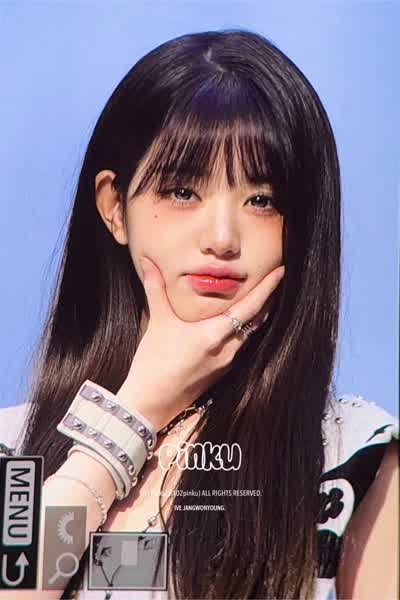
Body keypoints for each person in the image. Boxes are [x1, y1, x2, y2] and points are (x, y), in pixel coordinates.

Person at [0, 28, 398, 600]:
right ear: (114, 208)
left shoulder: (353, 457)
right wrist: (130, 417)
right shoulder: (17, 452)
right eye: (183, 191)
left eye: (261, 200)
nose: (222, 237)